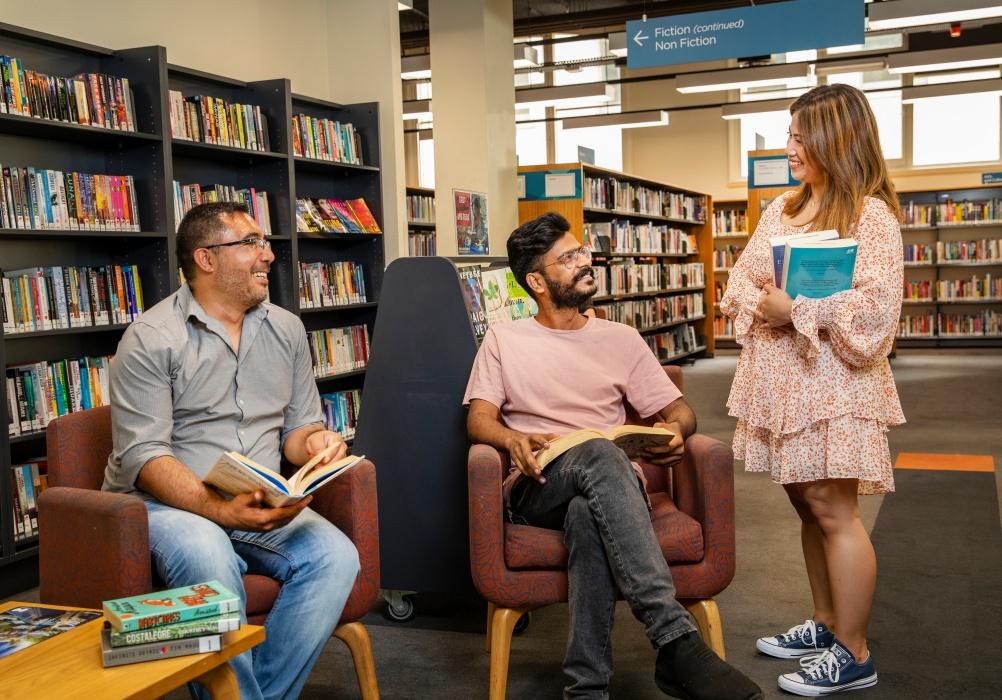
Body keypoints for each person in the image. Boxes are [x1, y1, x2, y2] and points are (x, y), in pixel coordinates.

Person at [464, 212, 763, 700]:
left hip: (607, 488)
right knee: (600, 452)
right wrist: (507, 440)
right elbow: (478, 419)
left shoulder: (621, 338)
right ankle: (673, 638)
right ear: (537, 281)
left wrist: (671, 432)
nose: (586, 262)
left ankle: (586, 689)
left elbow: (681, 411)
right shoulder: (505, 339)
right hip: (538, 485)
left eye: (583, 251)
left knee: (588, 510)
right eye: (569, 258)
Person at [102, 202, 360, 700]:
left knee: (336, 556)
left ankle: (249, 695)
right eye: (251, 243)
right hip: (164, 503)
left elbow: (297, 426)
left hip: (258, 498)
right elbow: (146, 456)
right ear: (205, 259)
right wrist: (218, 509)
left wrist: (316, 442)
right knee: (207, 552)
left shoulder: (286, 329)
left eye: (264, 243)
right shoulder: (152, 339)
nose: (268, 255)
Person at [720, 83, 904, 696]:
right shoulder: (780, 210)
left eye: (801, 136)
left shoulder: (869, 215)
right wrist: (767, 303)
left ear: (835, 139)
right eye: (790, 134)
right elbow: (738, 282)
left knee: (835, 510)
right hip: (786, 388)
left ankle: (854, 653)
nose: (789, 147)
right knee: (807, 506)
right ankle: (828, 623)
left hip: (836, 388)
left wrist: (794, 306)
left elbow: (876, 311)